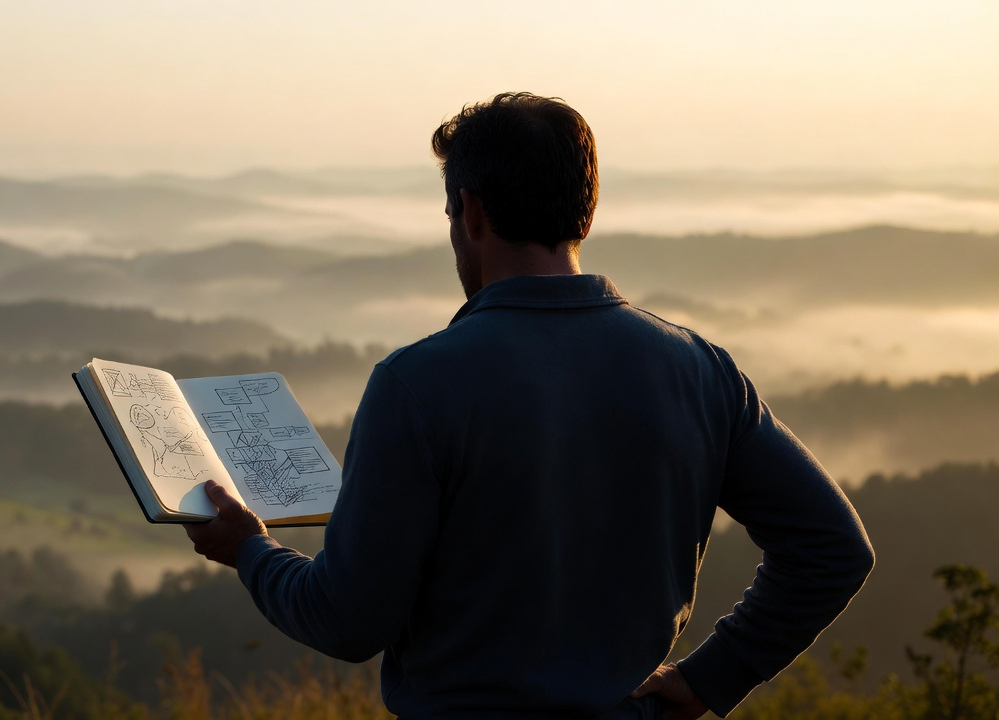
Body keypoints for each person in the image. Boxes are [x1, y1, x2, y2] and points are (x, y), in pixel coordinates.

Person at [185, 92, 875, 719]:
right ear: (585, 210)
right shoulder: (701, 370)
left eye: (453, 214)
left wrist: (249, 550)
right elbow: (833, 547)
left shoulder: (417, 385)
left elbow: (345, 622)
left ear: (474, 213)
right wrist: (709, 678)